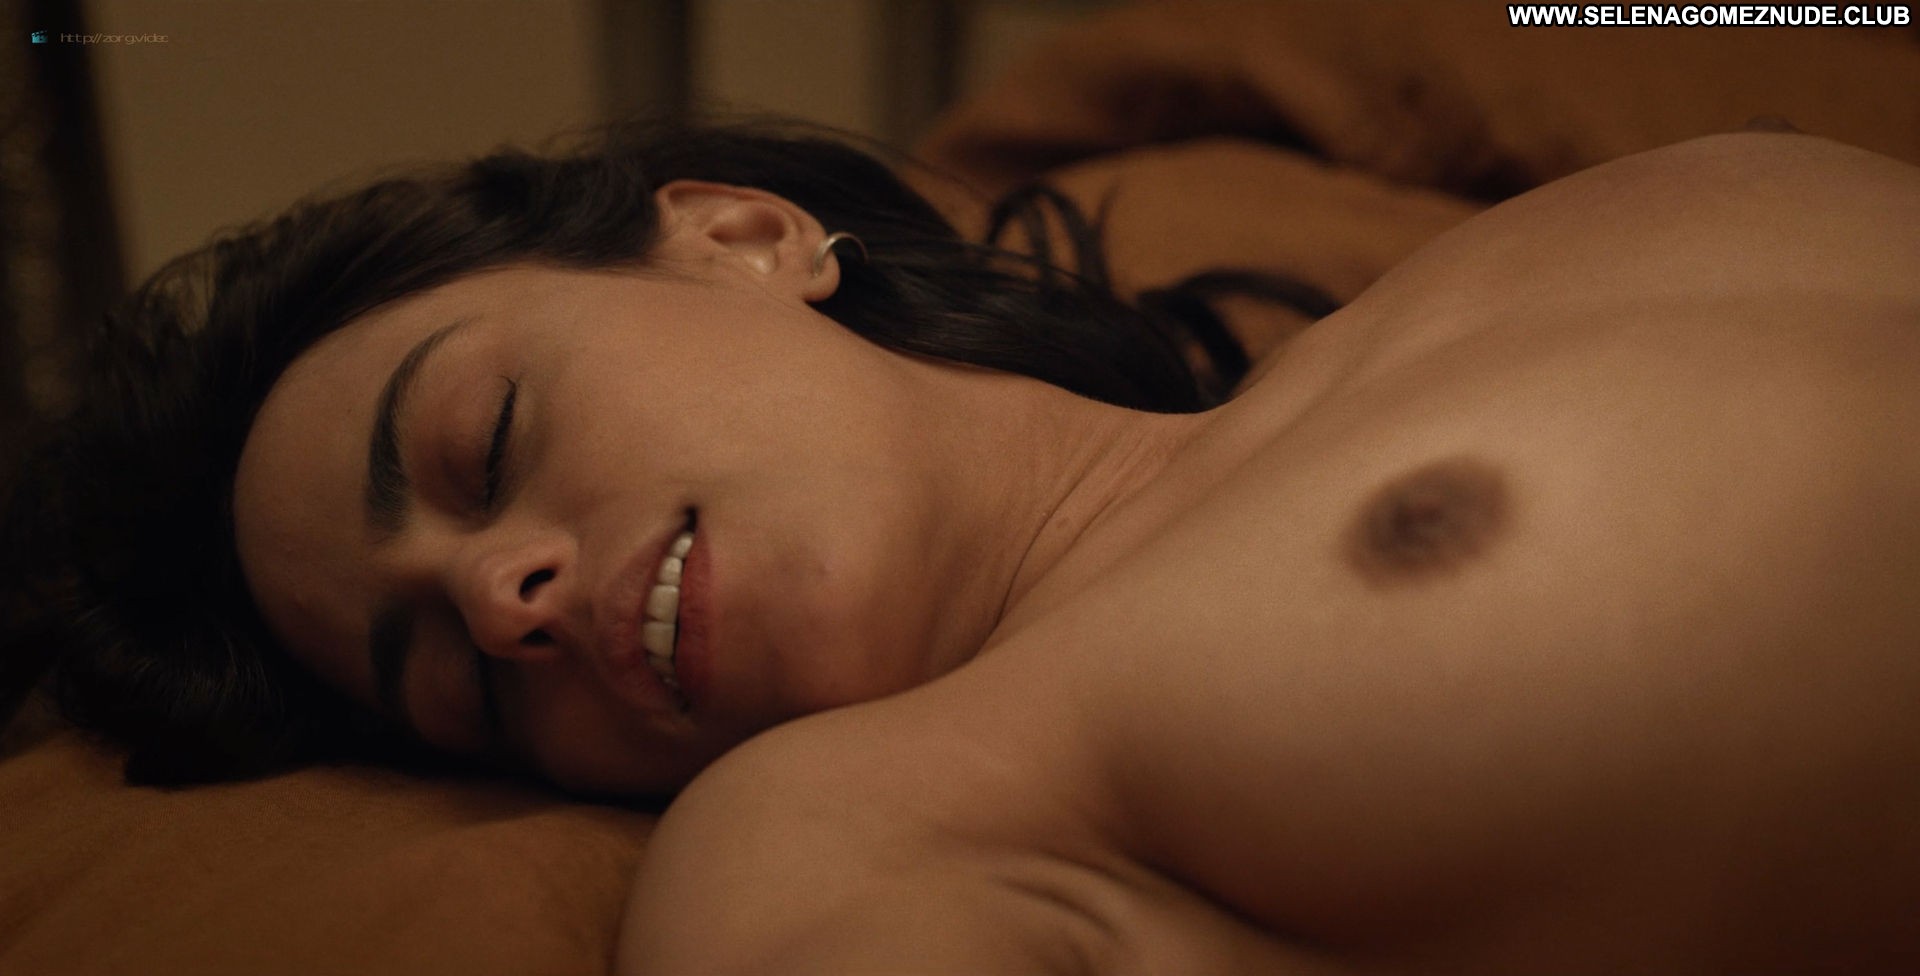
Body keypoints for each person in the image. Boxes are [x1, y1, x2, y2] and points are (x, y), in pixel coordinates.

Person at [12, 118, 1920, 972]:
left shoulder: (1588, 223)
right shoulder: (843, 833)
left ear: (742, 240)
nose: (499, 596)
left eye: (480, 443)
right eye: (451, 684)